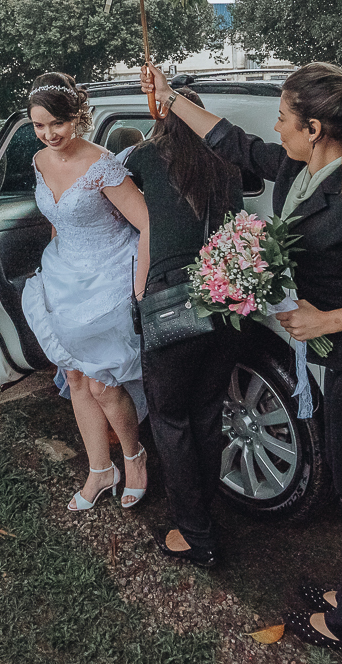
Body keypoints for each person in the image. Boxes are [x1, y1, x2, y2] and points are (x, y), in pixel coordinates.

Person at [139, 61, 342, 654]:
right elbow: (232, 142)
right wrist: (169, 98)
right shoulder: (299, 172)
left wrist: (325, 320)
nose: (275, 128)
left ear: (315, 129)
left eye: (282, 118)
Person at [124, 86, 244, 568]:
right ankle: (205, 512)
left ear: (162, 116)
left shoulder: (146, 157)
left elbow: (118, 190)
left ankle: (196, 535)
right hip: (229, 302)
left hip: (173, 302)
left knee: (170, 419)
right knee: (206, 413)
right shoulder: (228, 164)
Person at [21, 72, 151, 512]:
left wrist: (139, 285)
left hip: (108, 278)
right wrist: (56, 264)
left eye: (56, 123)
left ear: (76, 116)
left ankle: (134, 459)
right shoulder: (39, 161)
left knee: (103, 383)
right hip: (63, 276)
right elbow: (58, 219)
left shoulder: (102, 165)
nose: (49, 134)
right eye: (39, 126)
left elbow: (147, 224)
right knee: (74, 376)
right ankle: (100, 470)